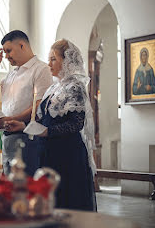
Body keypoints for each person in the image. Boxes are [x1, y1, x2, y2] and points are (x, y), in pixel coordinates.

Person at [5, 39, 97, 211]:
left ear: (67, 60)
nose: (49, 63)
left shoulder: (74, 86)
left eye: (53, 59)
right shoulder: (54, 88)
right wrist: (21, 126)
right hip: (48, 152)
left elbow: (76, 124)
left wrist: (48, 132)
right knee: (50, 201)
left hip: (67, 154)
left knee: (67, 202)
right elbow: (42, 119)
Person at [0, 30, 53, 175]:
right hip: (8, 136)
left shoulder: (41, 69)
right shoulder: (13, 73)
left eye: (9, 51)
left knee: (24, 186)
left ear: (22, 45)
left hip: (27, 136)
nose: (6, 56)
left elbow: (39, 107)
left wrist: (10, 119)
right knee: (10, 188)